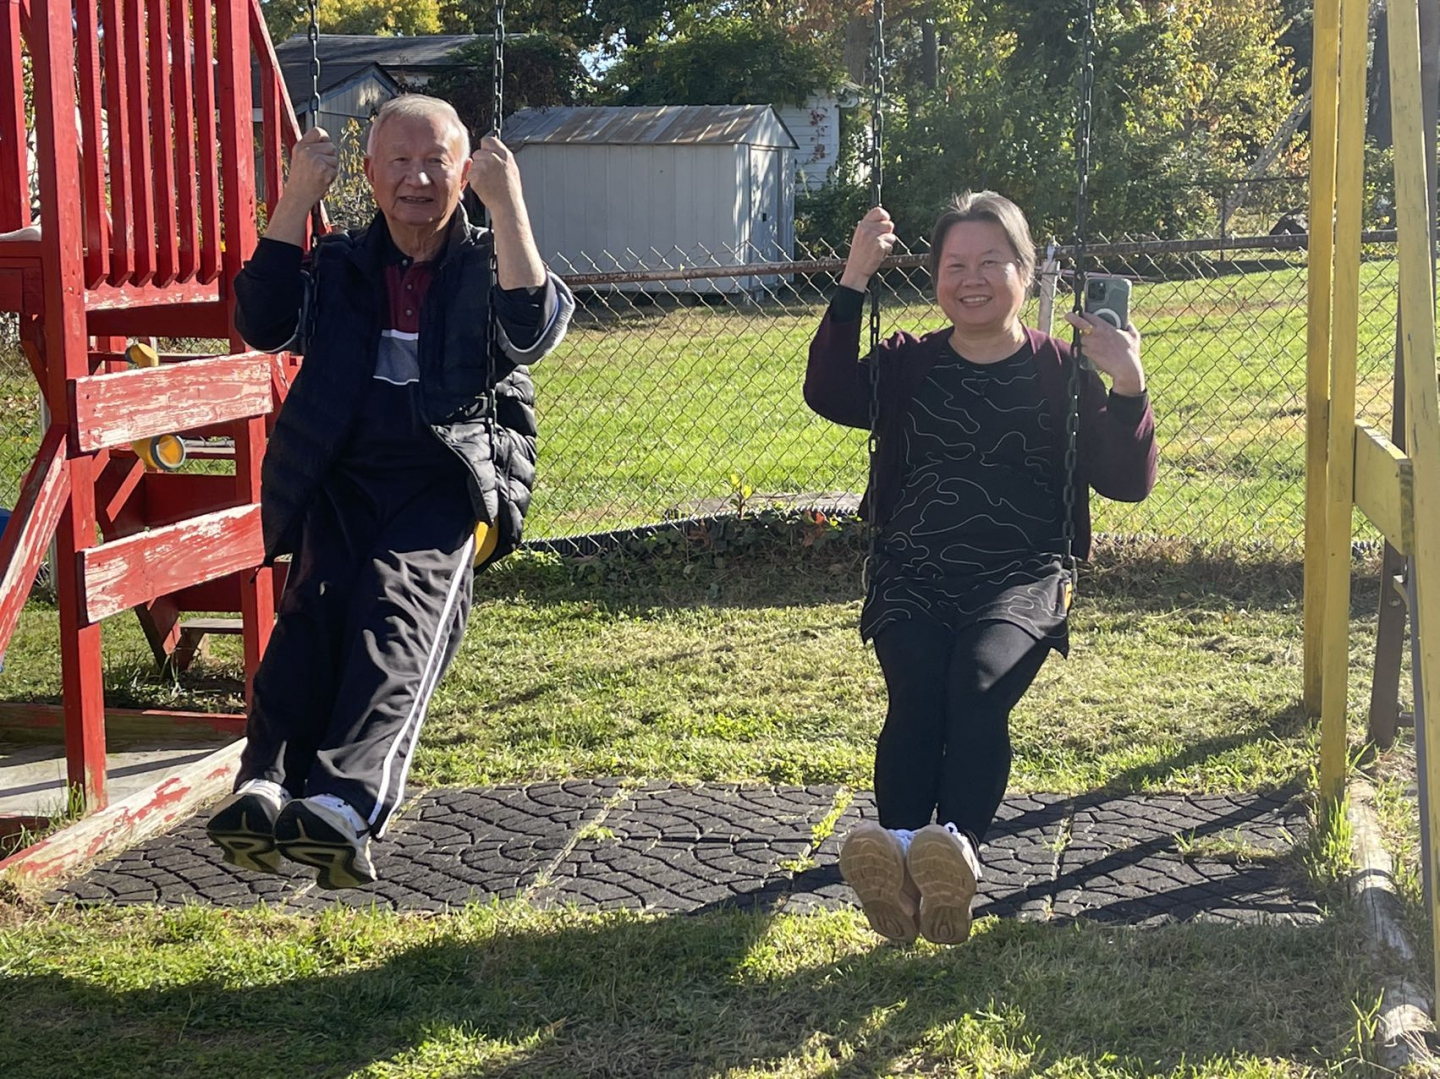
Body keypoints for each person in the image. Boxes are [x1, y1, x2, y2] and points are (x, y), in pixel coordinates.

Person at [205, 94, 574, 889]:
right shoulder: (340, 262)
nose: (417, 178)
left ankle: (344, 803)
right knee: (310, 613)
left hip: (446, 476)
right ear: (369, 174)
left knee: (395, 612)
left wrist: (508, 204)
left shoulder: (485, 260)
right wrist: (295, 201)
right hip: (343, 471)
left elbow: (531, 330)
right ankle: (266, 783)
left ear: (464, 172)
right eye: (399, 162)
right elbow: (262, 322)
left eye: (436, 161)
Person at [805, 192, 1156, 944]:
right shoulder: (907, 363)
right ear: (935, 277)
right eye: (955, 264)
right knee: (916, 691)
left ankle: (952, 856)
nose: (972, 279)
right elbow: (827, 392)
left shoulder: (1061, 370)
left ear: (1025, 273)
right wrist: (855, 277)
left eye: (991, 262)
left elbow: (1125, 481)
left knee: (976, 687)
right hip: (912, 566)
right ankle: (905, 866)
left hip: (1023, 574)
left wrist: (1128, 385)